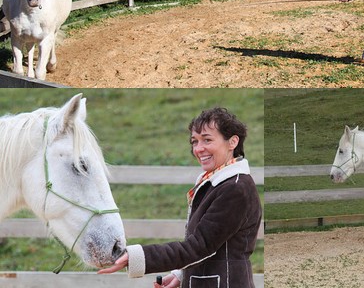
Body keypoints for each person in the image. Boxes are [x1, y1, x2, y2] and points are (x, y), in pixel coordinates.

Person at [98, 107, 262, 288]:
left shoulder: (236, 189)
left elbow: (200, 247)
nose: (199, 149)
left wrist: (137, 257)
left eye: (207, 140)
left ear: (232, 142)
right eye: (194, 141)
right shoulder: (216, 182)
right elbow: (209, 246)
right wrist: (182, 274)